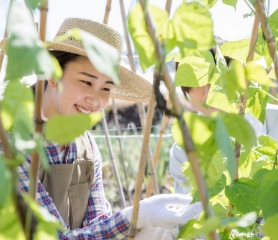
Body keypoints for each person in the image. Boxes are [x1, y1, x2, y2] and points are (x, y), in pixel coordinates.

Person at [0, 18, 202, 239]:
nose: (95, 100)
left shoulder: (85, 145)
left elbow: (98, 226)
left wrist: (145, 225)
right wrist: (133, 218)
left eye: (106, 88)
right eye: (87, 82)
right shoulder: (10, 142)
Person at [170, 46, 278, 195]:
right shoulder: (183, 150)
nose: (207, 94)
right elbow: (189, 210)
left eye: (216, 79)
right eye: (196, 84)